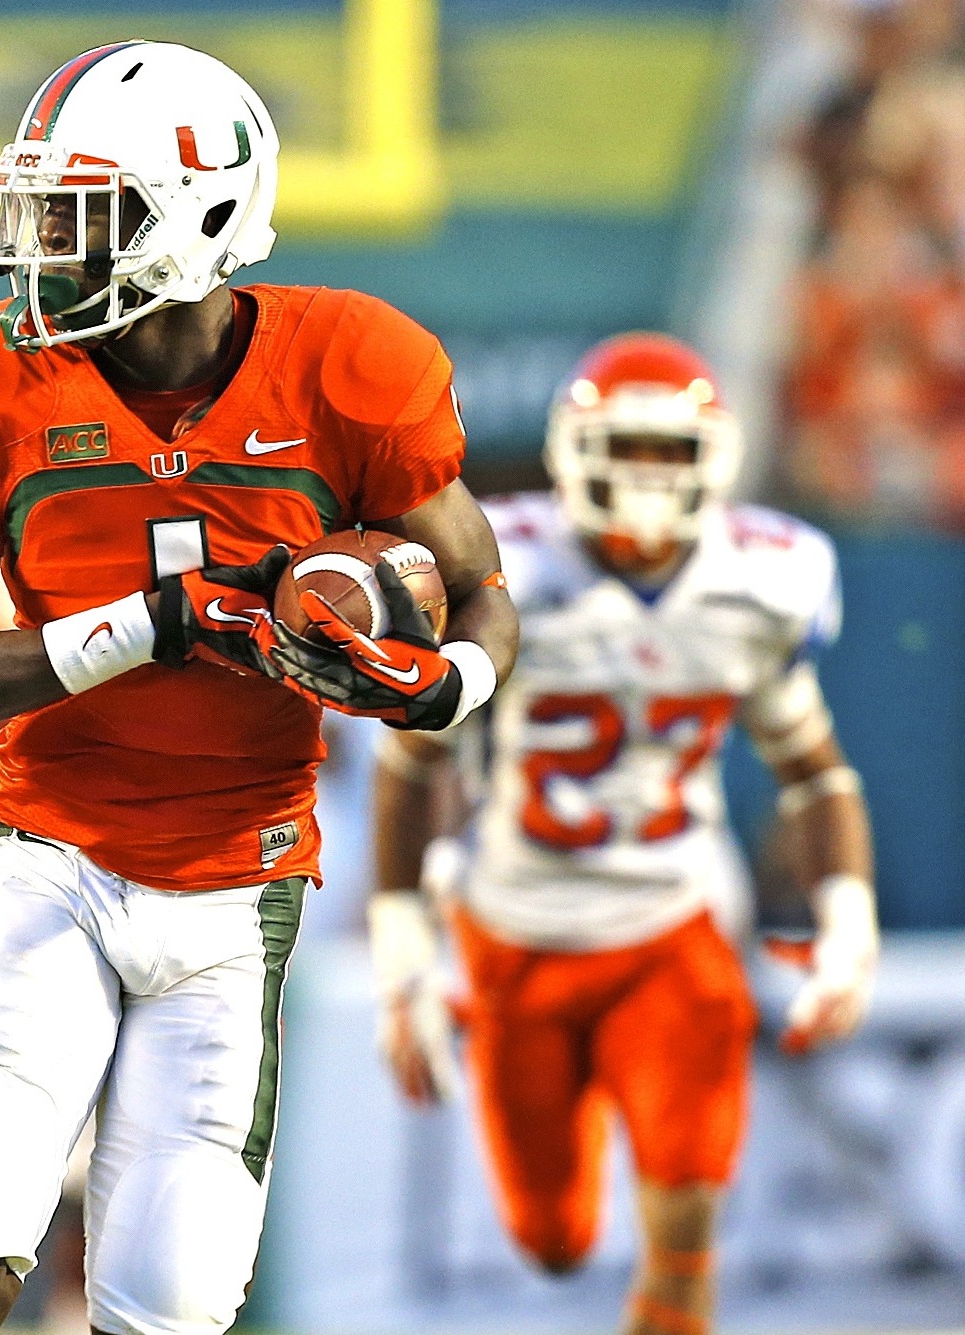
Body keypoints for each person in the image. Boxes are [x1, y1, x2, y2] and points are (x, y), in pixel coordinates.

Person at [0, 40, 519, 1335]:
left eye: (79, 216)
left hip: (236, 887)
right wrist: (150, 623)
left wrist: (437, 688)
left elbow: (477, 588)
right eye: (39, 210)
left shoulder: (351, 367)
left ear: (200, 218)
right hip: (48, 854)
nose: (40, 246)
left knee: (164, 1310)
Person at [366, 334, 878, 1335]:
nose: (646, 475)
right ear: (573, 451)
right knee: (549, 1238)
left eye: (668, 451)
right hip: (512, 933)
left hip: (670, 924)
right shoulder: (498, 566)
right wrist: (402, 961)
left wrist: (845, 925)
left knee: (683, 1224)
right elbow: (408, 764)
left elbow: (812, 772)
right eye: (626, 448)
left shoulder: (760, 579)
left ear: (713, 458)